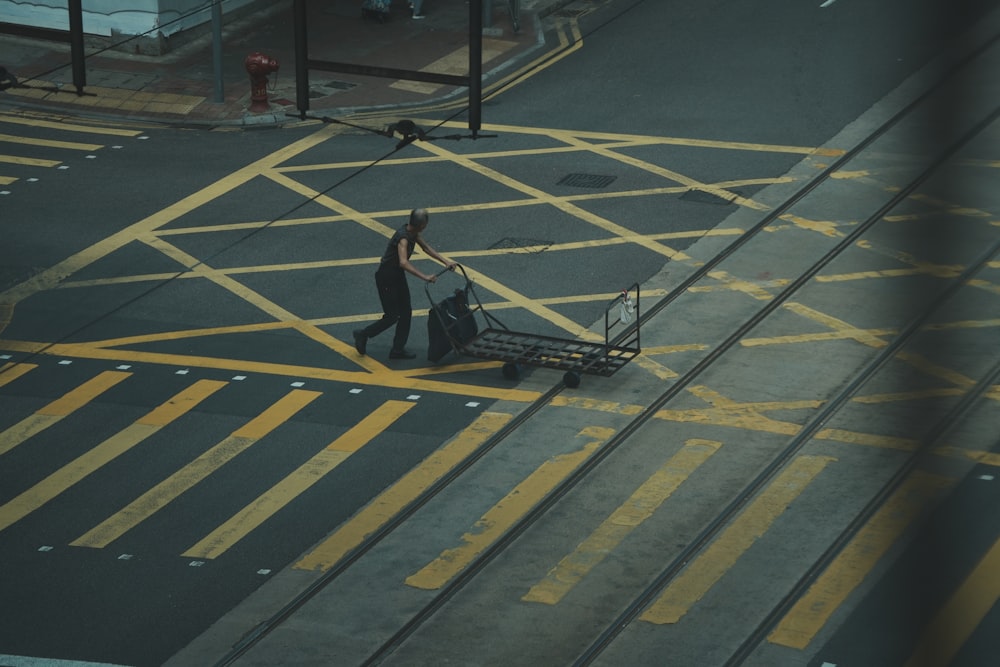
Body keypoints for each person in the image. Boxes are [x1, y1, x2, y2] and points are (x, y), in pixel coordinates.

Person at [354, 208, 456, 359]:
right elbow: (403, 262)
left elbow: (426, 248)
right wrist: (425, 276)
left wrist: (446, 261)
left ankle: (397, 349)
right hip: (386, 277)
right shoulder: (403, 238)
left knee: (406, 312)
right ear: (422, 225)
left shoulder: (412, 233)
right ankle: (363, 334)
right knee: (392, 316)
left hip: (397, 276)